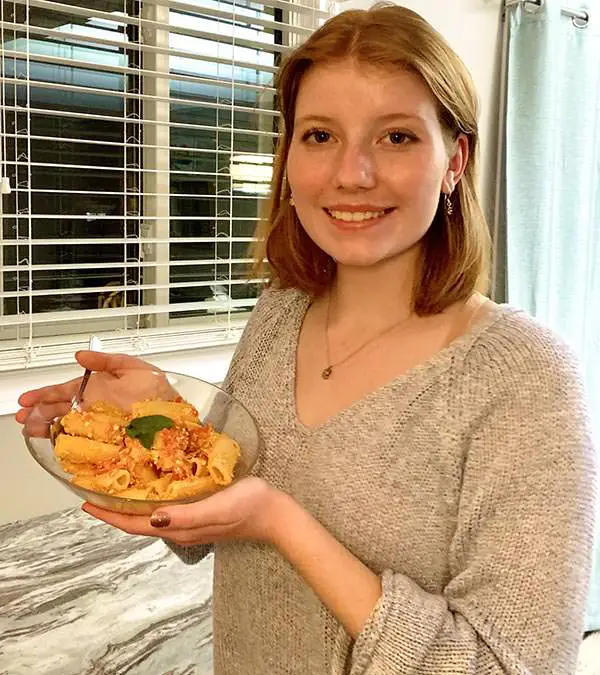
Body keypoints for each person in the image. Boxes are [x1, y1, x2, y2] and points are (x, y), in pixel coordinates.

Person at [16, 4, 597, 674]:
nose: (351, 173)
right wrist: (159, 417)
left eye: (397, 137)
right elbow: (208, 522)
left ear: (454, 161)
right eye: (320, 136)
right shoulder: (281, 310)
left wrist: (284, 522)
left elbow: (510, 667)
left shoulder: (526, 376)